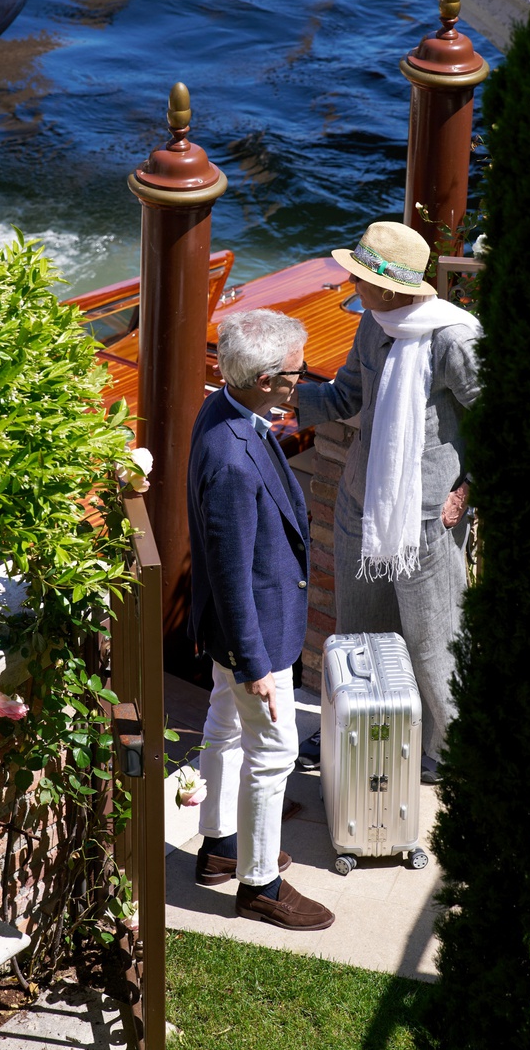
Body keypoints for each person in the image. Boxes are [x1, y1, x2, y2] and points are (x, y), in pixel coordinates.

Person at [297, 220, 481, 783]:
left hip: (427, 515)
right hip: (362, 502)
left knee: (432, 643)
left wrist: (467, 493)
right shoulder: (373, 324)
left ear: (392, 286)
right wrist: (278, 399)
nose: (351, 286)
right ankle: (350, 727)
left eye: (360, 277)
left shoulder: (454, 339)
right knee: (357, 634)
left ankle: (449, 753)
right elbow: (347, 395)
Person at [187, 308, 335, 931]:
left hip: (232, 628)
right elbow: (228, 570)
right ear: (265, 378)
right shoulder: (234, 458)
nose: (304, 383)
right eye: (298, 375)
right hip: (254, 632)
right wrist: (255, 664)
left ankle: (219, 846)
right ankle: (260, 886)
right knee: (271, 756)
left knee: (223, 728)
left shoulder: (223, 413)